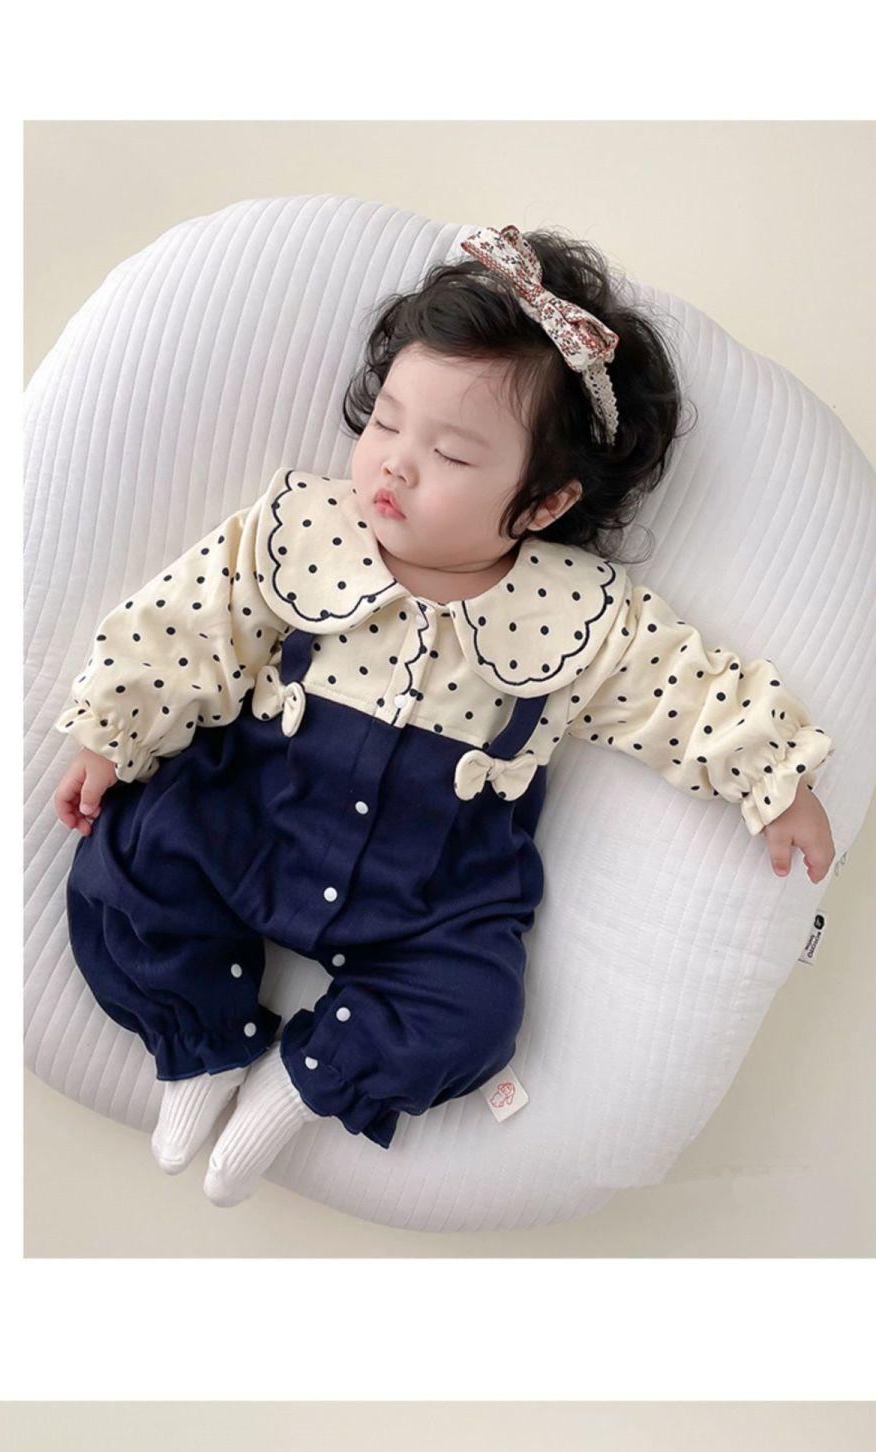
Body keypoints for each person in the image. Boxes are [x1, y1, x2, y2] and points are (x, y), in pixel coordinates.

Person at [51, 224, 836, 1207]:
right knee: (130, 864)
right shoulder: (302, 530)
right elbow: (189, 621)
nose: (394, 465)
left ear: (542, 503)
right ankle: (202, 1045)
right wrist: (111, 732)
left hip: (430, 885)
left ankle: (306, 1082)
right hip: (249, 812)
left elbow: (682, 689)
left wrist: (774, 779)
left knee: (472, 1012)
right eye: (384, 423)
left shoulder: (581, 613)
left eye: (451, 453)